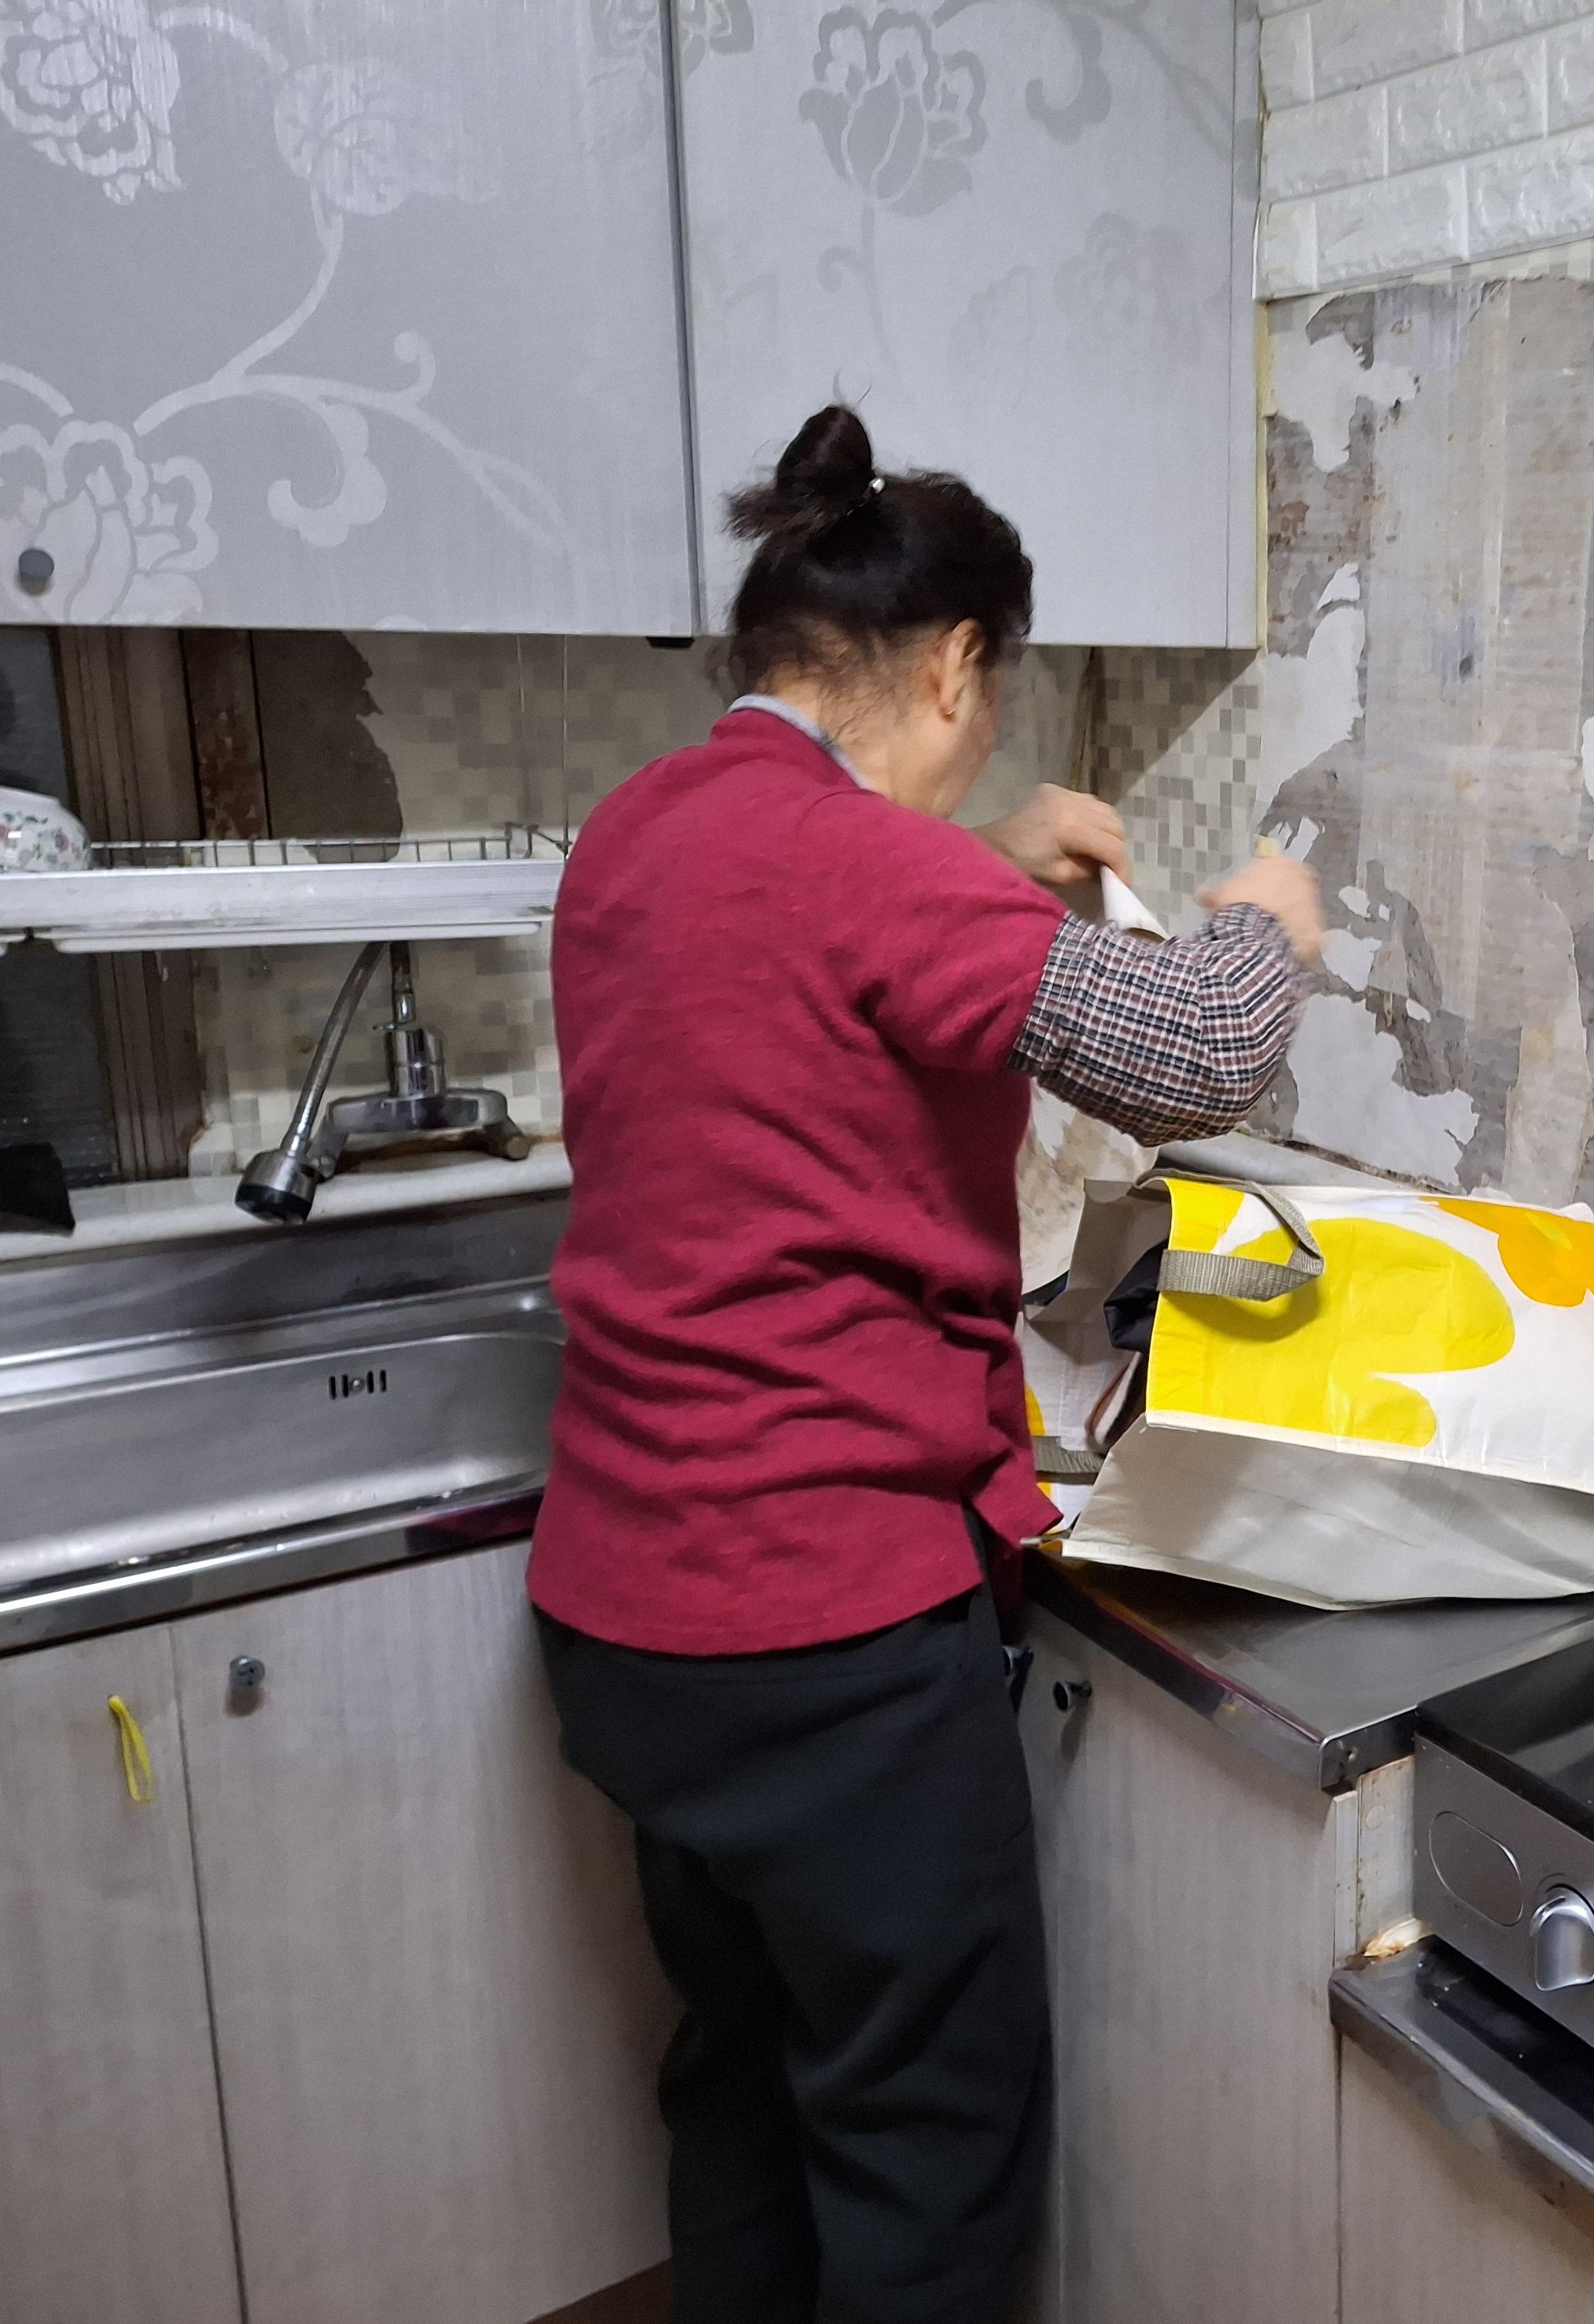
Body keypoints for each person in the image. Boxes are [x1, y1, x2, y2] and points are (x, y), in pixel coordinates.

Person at [525, 404, 1322, 2324]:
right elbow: (1202, 1054)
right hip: (820, 1638)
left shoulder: (639, 830)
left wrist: (978, 853)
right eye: (997, 699)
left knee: (743, 2087)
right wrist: (1261, 925)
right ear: (958, 663)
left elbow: (804, 965)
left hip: (626, 1615)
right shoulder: (875, 871)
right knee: (923, 2145)